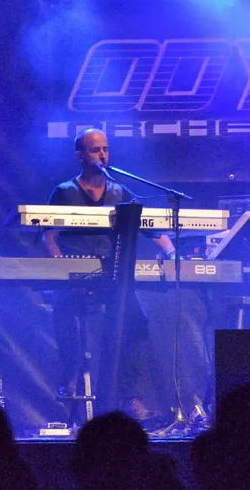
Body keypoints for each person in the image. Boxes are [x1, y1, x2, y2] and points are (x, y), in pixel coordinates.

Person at [41, 127, 174, 422]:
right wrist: (61, 269)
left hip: (112, 275)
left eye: (105, 149)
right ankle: (71, 374)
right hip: (74, 275)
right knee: (64, 311)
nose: (102, 155)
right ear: (80, 156)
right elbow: (48, 236)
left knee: (137, 321)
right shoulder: (65, 191)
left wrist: (171, 252)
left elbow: (152, 228)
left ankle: (128, 394)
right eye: (95, 150)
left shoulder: (119, 191)